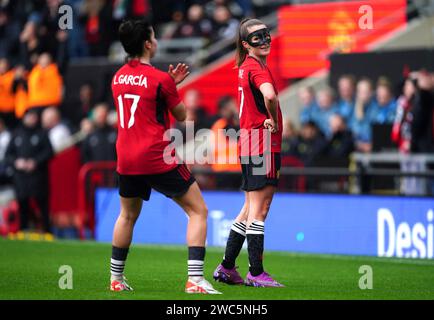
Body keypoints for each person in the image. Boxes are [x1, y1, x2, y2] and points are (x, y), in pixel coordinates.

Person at [109, 19, 220, 294]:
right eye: (154, 37)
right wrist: (172, 86)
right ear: (148, 44)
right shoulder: (159, 79)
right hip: (157, 156)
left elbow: (142, 103)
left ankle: (115, 279)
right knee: (198, 211)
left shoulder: (117, 77)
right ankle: (195, 280)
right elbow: (182, 116)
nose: (157, 41)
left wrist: (168, 86)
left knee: (126, 216)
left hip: (126, 157)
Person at [213, 18, 284, 287]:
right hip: (262, 142)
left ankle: (227, 267)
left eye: (266, 35)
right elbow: (270, 96)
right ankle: (256, 272)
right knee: (260, 209)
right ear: (245, 44)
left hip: (251, 142)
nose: (264, 40)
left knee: (248, 208)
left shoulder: (245, 66)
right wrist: (274, 120)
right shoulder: (257, 69)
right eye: (257, 37)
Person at [5, 109, 53, 233]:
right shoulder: (17, 134)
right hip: (21, 178)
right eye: (29, 116)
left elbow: (49, 152)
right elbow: (8, 155)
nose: (32, 119)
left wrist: (35, 162)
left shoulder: (42, 134)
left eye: (34, 116)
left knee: (43, 207)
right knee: (23, 206)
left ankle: (47, 231)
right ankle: (22, 231)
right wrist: (16, 162)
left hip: (38, 178)